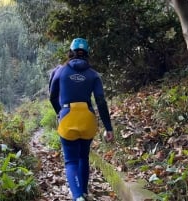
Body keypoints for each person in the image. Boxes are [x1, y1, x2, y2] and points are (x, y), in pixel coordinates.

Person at [49, 38, 114, 201]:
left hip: (67, 116)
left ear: (70, 52)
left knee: (71, 161)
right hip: (87, 119)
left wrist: (60, 113)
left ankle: (78, 197)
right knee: (83, 156)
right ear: (87, 54)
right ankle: (84, 192)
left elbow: (52, 96)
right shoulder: (93, 74)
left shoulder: (60, 71)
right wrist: (108, 128)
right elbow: (100, 101)